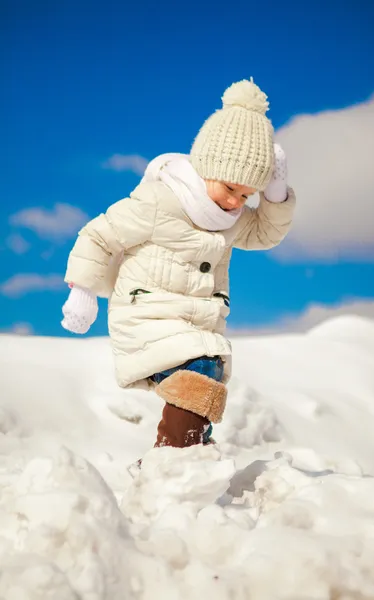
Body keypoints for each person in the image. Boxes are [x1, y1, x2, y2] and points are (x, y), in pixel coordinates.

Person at [61, 78, 296, 449]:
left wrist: (277, 192)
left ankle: (190, 449)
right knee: (202, 368)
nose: (236, 202)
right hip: (148, 317)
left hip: (194, 326)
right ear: (205, 169)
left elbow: (266, 233)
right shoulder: (159, 201)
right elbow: (98, 235)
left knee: (210, 373)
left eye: (247, 194)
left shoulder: (231, 222)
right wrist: (83, 291)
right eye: (230, 188)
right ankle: (174, 456)